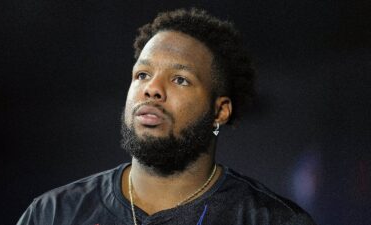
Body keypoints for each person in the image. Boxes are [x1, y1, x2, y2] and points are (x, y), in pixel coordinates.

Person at [17, 8, 316, 225]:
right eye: (143, 74)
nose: (152, 89)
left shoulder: (271, 220)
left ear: (220, 111)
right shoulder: (53, 213)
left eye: (180, 79)